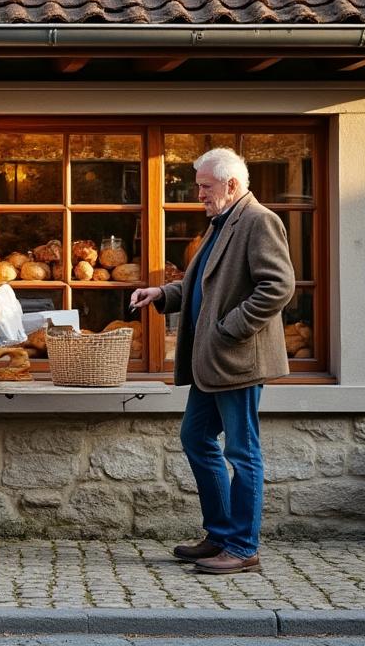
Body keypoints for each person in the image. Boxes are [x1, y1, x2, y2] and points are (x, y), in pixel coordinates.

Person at [130, 148, 294, 575]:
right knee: (196, 438)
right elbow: (205, 287)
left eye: (205, 187)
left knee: (243, 453)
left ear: (232, 185)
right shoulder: (222, 224)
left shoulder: (259, 221)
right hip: (212, 363)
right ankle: (220, 534)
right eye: (199, 186)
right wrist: (162, 294)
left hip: (237, 359)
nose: (198, 194)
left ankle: (243, 548)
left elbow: (278, 287)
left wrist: (228, 328)